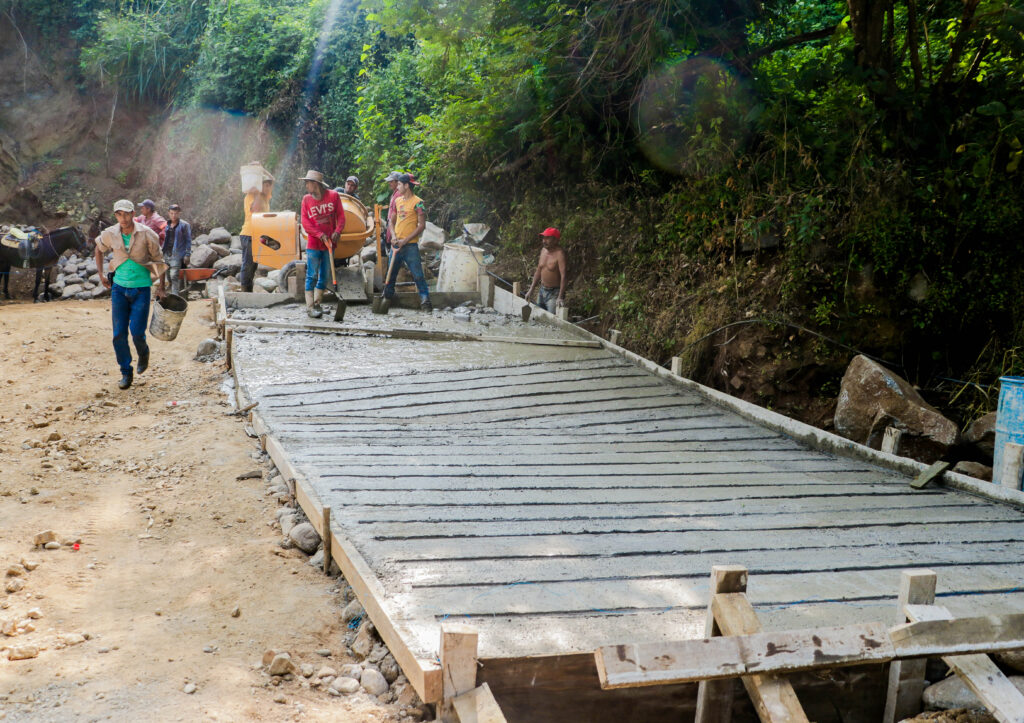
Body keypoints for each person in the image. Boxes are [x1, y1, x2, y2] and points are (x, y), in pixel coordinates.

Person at [94, 199, 168, 390]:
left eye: (127, 214)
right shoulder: (110, 233)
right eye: (119, 214)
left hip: (141, 289)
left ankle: (143, 353)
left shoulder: (146, 233)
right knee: (119, 334)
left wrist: (161, 288)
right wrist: (101, 274)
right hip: (118, 289)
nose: (123, 218)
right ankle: (126, 372)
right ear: (116, 215)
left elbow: (159, 260)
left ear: (134, 214)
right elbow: (99, 248)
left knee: (136, 332)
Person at [299, 170, 345, 318]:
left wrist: (337, 231)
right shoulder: (306, 200)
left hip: (329, 244)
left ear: (316, 184)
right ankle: (310, 307)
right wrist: (320, 235)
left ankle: (318, 303)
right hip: (313, 244)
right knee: (312, 275)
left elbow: (341, 216)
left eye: (308, 183)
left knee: (324, 276)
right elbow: (305, 223)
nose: (306, 186)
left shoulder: (333, 196)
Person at [384, 173, 431, 311]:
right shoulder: (398, 201)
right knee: (390, 274)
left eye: (399, 184)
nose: (397, 186)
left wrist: (406, 240)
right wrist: (393, 236)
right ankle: (387, 299)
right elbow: (391, 221)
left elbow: (421, 226)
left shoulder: (418, 202)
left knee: (418, 275)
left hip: (410, 245)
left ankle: (425, 301)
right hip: (396, 244)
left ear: (406, 185)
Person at [239, 173, 274, 292]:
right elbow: (255, 210)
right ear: (260, 186)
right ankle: (245, 291)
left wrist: (261, 169)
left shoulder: (266, 196)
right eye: (265, 185)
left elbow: (272, 180)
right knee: (248, 264)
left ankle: (249, 290)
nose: (268, 188)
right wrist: (258, 192)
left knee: (254, 265)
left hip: (259, 235)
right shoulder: (251, 195)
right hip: (249, 234)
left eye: (269, 185)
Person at [525, 227, 567, 313]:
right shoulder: (543, 251)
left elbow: (564, 276)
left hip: (554, 293)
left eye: (548, 238)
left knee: (551, 321)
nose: (544, 241)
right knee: (538, 317)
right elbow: (539, 270)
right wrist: (531, 289)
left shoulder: (560, 254)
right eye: (543, 238)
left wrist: (560, 297)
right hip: (542, 291)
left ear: (555, 240)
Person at [162, 203, 192, 296]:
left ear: (179, 213)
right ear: (168, 213)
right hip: (167, 253)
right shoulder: (167, 224)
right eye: (171, 213)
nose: (173, 215)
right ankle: (172, 289)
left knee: (174, 275)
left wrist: (187, 254)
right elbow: (165, 238)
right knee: (167, 275)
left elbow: (188, 240)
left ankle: (175, 296)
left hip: (177, 254)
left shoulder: (184, 225)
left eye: (175, 213)